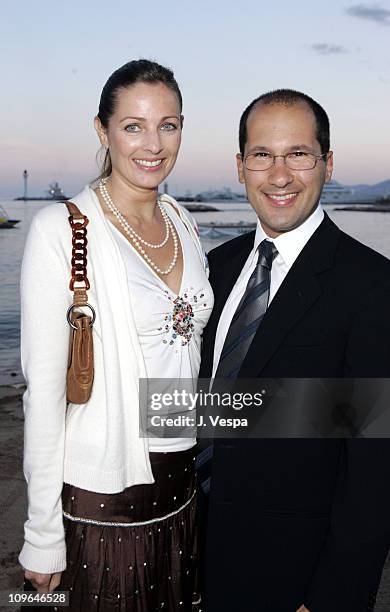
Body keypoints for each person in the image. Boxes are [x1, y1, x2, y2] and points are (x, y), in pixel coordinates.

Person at [19, 59, 213, 611]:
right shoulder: (63, 229)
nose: (153, 144)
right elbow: (46, 392)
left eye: (168, 124)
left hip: (182, 486)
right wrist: (42, 533)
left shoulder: (182, 220)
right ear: (102, 130)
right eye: (133, 126)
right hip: (105, 498)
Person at [198, 89, 390, 612]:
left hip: (293, 576)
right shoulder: (211, 269)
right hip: (191, 557)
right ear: (240, 167)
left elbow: (374, 471)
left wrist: (330, 597)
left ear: (327, 164)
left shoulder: (372, 286)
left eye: (298, 154)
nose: (279, 175)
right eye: (262, 155)